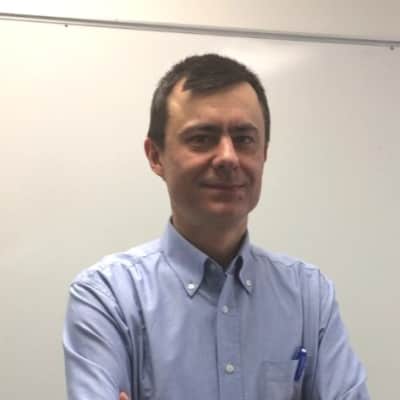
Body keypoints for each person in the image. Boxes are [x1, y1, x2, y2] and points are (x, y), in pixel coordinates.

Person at [63, 54, 370, 400]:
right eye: (202, 138)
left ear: (264, 153)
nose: (228, 157)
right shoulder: (107, 297)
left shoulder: (309, 296)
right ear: (155, 156)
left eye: (244, 139)